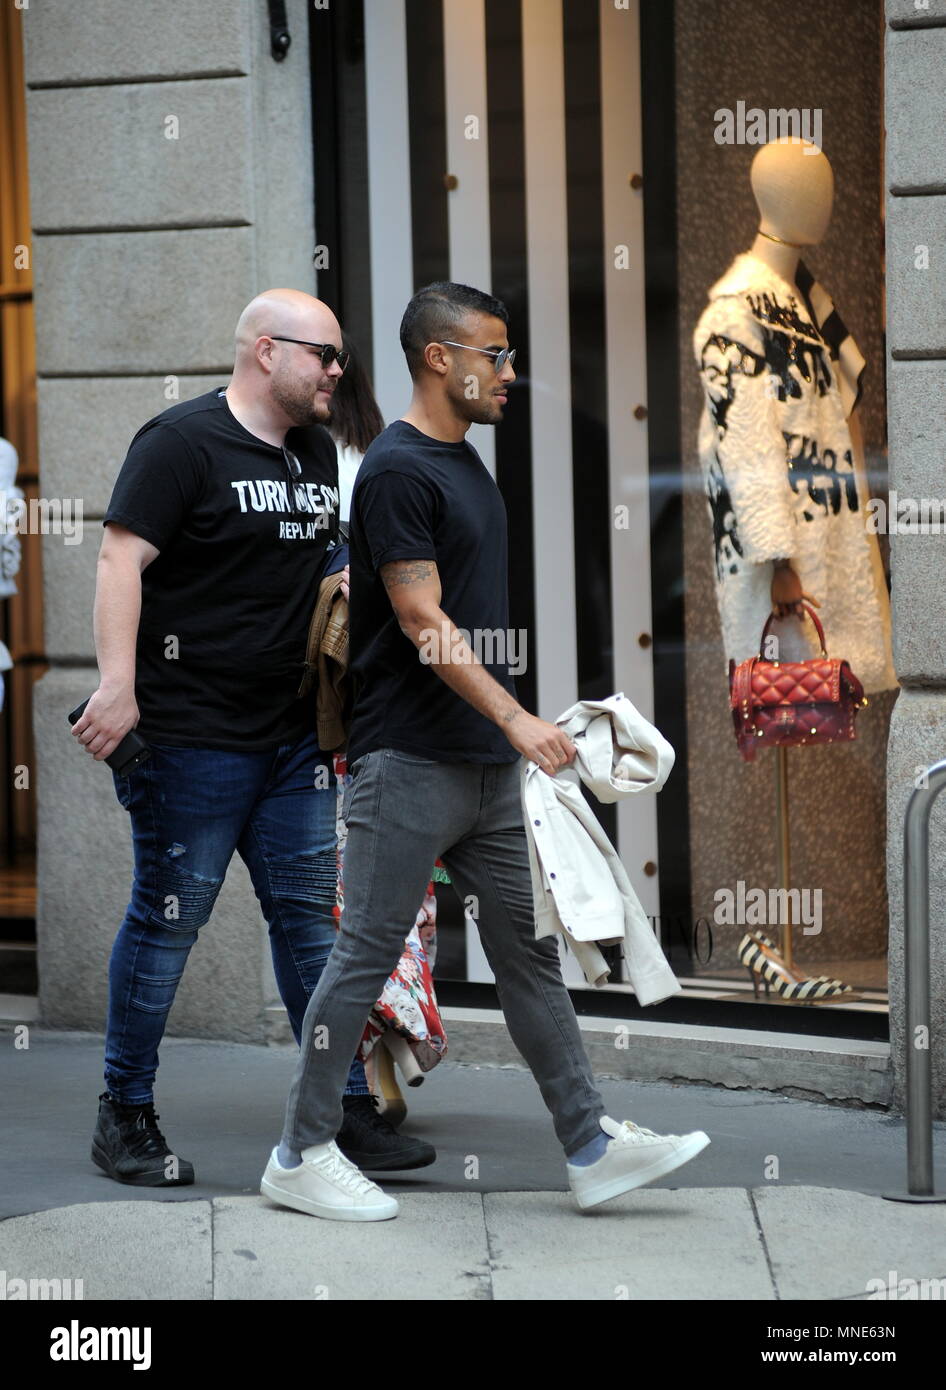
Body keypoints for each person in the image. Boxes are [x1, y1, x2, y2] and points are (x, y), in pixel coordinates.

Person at [260, 281, 710, 1221]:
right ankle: (299, 1153)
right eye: (494, 355)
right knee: (361, 959)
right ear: (439, 359)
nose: (510, 373)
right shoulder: (396, 471)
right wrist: (517, 720)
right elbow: (422, 620)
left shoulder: (468, 464)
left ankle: (587, 1146)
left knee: (527, 956)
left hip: (483, 771)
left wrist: (505, 736)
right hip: (407, 762)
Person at [73, 289, 434, 1186]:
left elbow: (318, 559)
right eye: (326, 356)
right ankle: (124, 1115)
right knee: (167, 924)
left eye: (342, 357)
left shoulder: (315, 453)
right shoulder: (180, 443)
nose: (339, 373)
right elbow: (121, 557)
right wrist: (118, 686)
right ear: (266, 351)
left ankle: (343, 1107)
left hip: (292, 744)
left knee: (315, 929)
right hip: (191, 740)